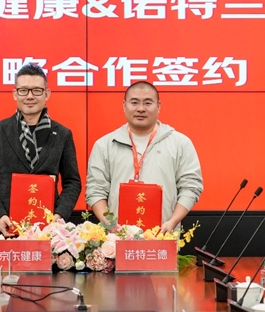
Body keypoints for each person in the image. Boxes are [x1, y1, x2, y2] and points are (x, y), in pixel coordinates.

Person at [0, 63, 82, 239]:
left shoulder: (62, 134)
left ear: (47, 94)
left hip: (49, 232)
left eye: (37, 91)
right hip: (6, 229)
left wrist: (59, 216)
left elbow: (72, 182)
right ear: (15, 94)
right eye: (24, 90)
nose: (30, 96)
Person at [86, 81, 203, 233]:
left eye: (148, 103)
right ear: (124, 105)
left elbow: (191, 187)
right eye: (134, 102)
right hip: (117, 238)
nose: (141, 108)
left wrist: (172, 222)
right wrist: (110, 225)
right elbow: (95, 189)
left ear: (158, 106)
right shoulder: (105, 145)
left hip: (163, 236)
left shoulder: (180, 143)